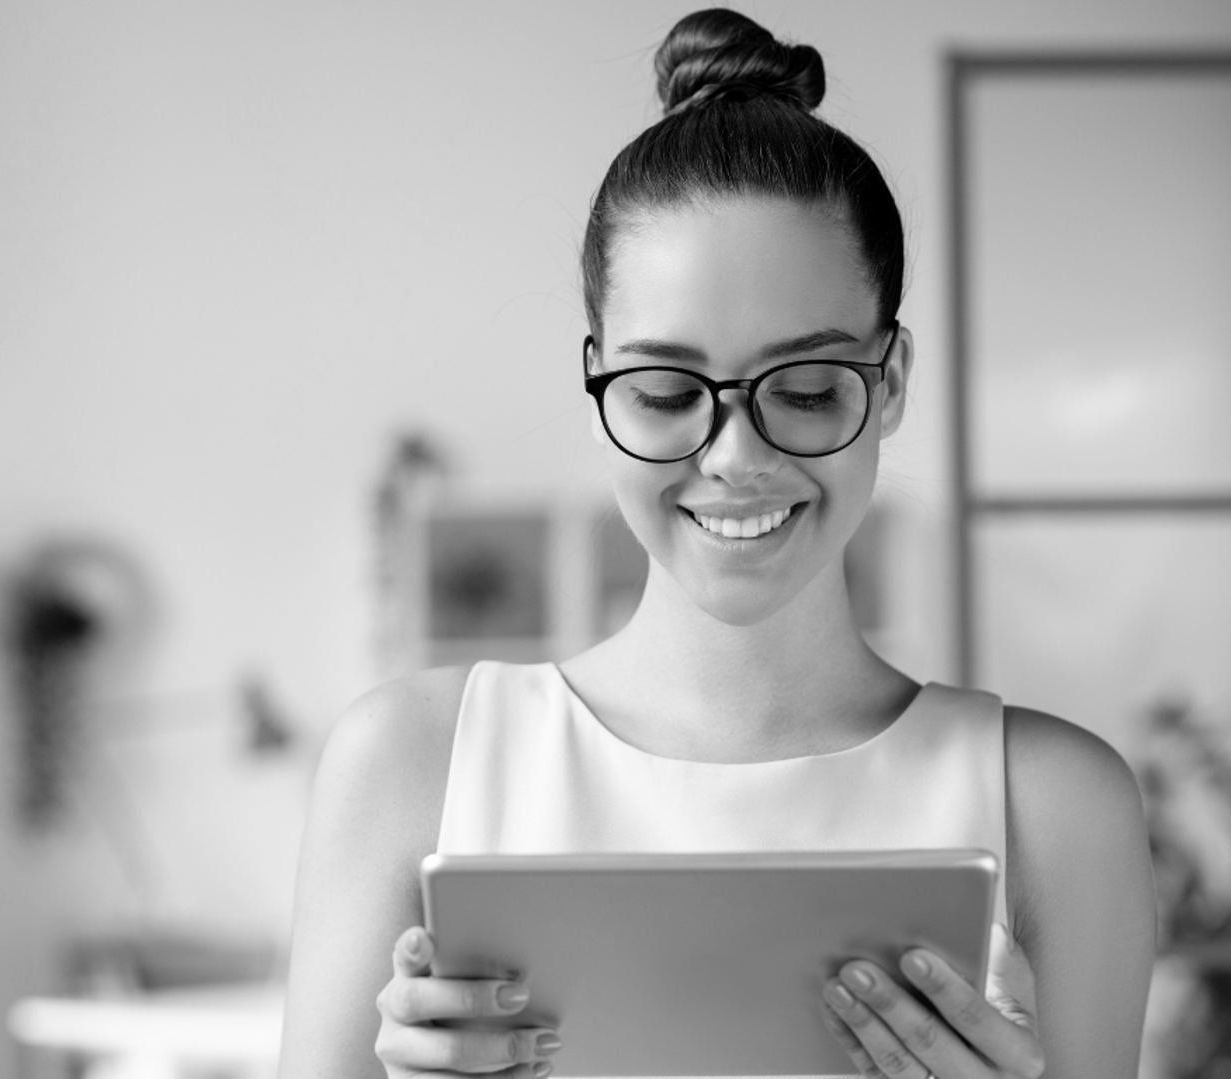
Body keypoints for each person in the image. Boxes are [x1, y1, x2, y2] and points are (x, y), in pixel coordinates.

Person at [278, 9, 1155, 1079]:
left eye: (805, 388)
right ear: (598, 375)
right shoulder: (409, 762)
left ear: (893, 384)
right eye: (663, 391)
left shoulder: (1058, 805)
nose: (735, 456)